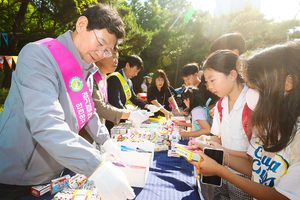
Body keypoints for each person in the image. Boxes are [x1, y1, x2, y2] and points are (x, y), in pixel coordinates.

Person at [0, 4, 135, 200]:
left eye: (107, 50)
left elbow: (88, 112)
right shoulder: (38, 55)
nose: (100, 54)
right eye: (100, 43)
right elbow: (47, 123)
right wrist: (96, 166)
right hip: (15, 176)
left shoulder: (86, 69)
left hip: (54, 175)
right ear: (81, 24)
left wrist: (106, 142)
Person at [190, 41, 300, 200]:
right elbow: (253, 166)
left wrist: (220, 170)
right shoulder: (265, 125)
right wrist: (218, 154)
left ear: (288, 83)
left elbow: (282, 196)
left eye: (255, 87)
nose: (251, 95)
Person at [192, 50, 252, 200]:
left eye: (212, 80)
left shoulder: (252, 103)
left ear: (232, 75)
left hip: (246, 180)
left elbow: (257, 156)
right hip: (222, 173)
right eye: (207, 81)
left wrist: (222, 149)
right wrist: (208, 140)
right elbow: (221, 138)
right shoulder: (220, 105)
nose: (209, 86)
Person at [79, 47, 149, 143]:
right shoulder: (91, 77)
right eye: (113, 56)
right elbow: (101, 107)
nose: (116, 61)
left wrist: (145, 107)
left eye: (117, 57)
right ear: (100, 56)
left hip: (99, 133)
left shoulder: (104, 78)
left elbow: (108, 104)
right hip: (86, 136)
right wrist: (130, 115)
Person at [106, 55, 159, 129]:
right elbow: (116, 103)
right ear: (127, 65)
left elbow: (133, 98)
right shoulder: (114, 79)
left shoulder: (129, 81)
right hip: (110, 120)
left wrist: (147, 106)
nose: (136, 74)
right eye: (135, 71)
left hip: (120, 118)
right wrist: (131, 115)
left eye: (137, 72)